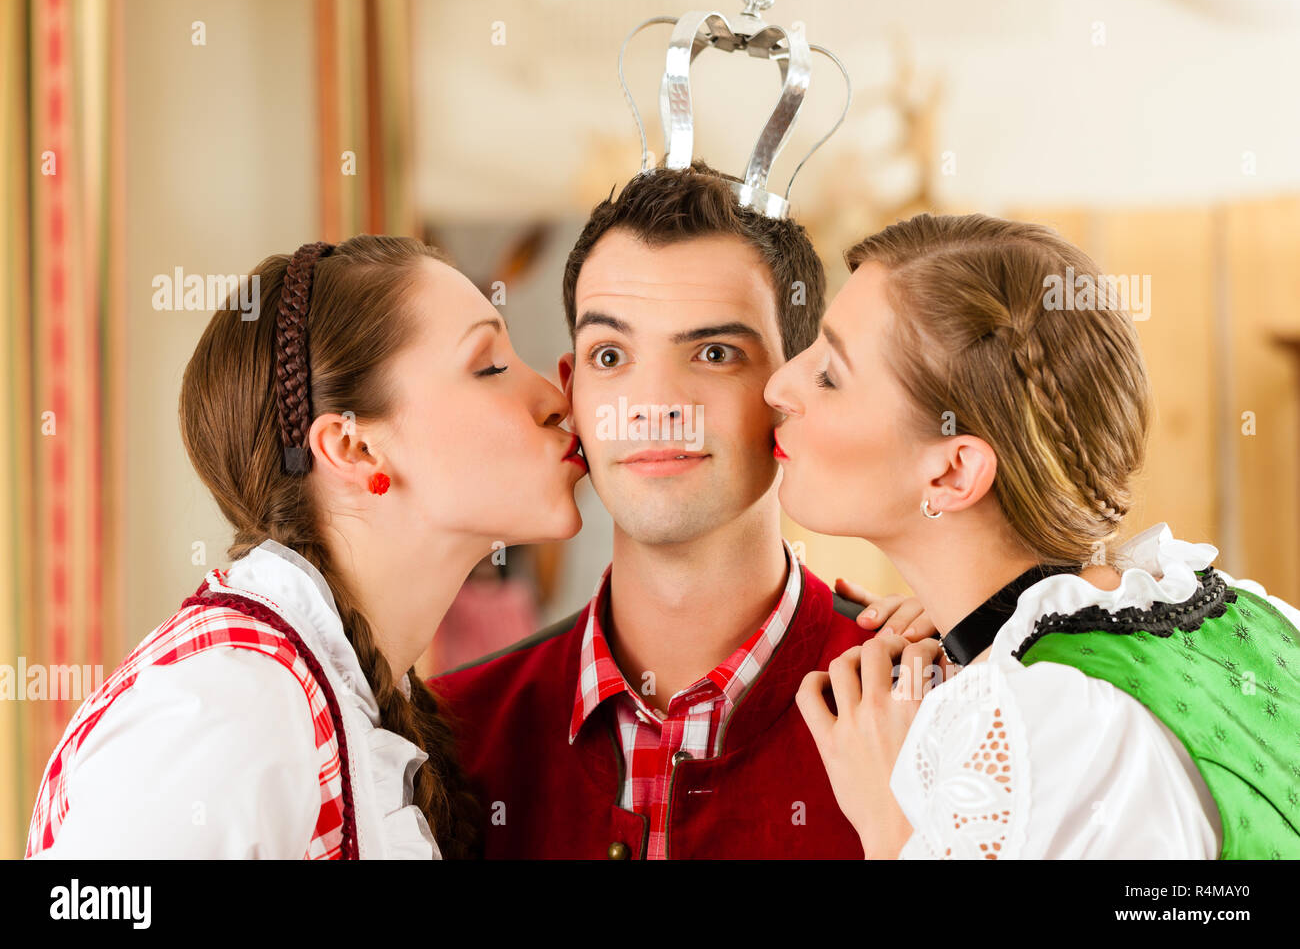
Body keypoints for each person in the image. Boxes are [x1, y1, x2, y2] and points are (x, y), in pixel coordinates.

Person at [26, 234, 588, 859]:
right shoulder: (230, 708)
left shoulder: (344, 700)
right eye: (490, 367)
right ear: (354, 448)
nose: (556, 398)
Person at [431, 163, 933, 860]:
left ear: (794, 391)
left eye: (714, 352)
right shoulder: (447, 737)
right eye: (612, 355)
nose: (655, 405)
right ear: (572, 392)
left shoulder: (928, 703)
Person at [765, 212, 1300, 859]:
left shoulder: (1028, 723)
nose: (778, 385)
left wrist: (890, 825)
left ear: (954, 472)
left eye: (830, 375)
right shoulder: (1257, 618)